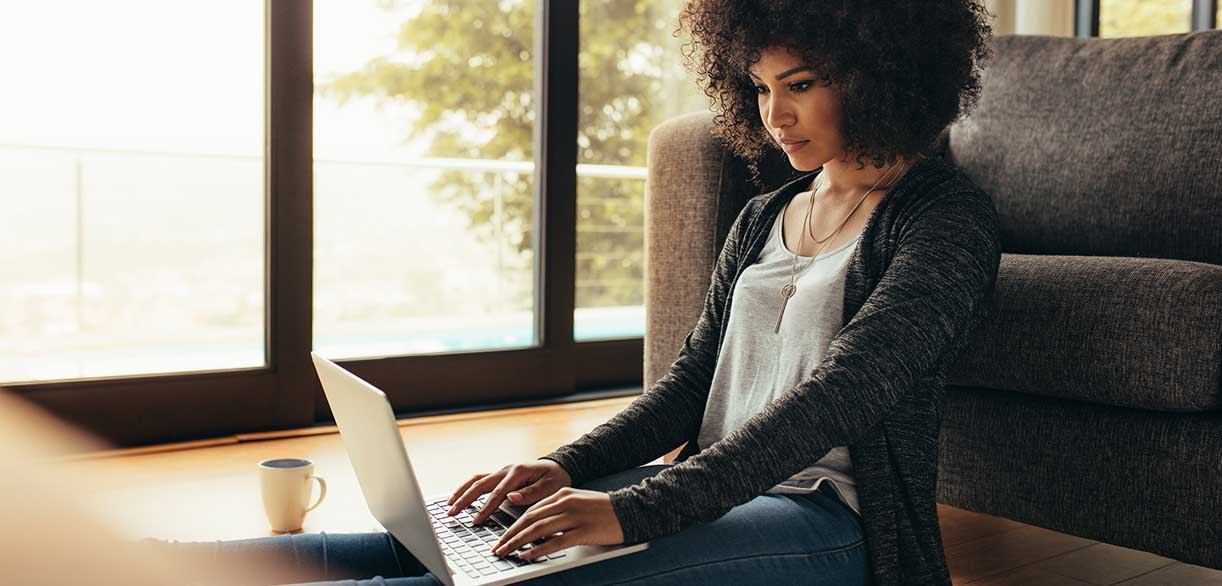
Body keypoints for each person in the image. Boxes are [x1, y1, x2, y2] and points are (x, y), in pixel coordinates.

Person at [138, 0, 1002, 584]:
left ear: (884, 69)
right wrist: (564, 468)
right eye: (761, 87)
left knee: (496, 577)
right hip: (711, 493)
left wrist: (634, 512)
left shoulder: (946, 225)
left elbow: (836, 400)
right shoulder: (767, 213)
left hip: (835, 530)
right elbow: (686, 390)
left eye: (802, 84)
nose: (775, 116)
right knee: (429, 543)